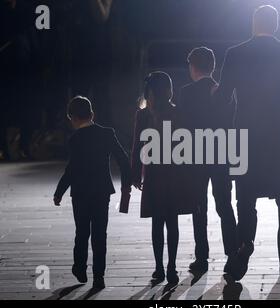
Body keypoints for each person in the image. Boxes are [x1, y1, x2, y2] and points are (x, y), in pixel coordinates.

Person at [214, 5, 280, 288]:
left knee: (245, 201)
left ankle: (244, 246)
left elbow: (223, 98)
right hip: (279, 139)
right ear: (275, 25)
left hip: (244, 137)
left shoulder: (234, 54)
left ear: (253, 24)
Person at [53, 96, 132, 289]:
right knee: (99, 233)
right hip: (101, 191)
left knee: (82, 232)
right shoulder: (107, 134)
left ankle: (80, 268)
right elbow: (123, 159)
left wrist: (59, 191)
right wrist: (126, 184)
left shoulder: (74, 139)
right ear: (92, 114)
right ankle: (99, 276)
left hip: (80, 193)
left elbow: (71, 170)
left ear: (72, 118)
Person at [131, 72, 197, 285]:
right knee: (172, 222)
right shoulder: (180, 113)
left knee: (157, 222)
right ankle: (172, 268)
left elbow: (137, 147)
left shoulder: (143, 115)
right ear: (169, 91)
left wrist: (134, 174)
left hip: (153, 174)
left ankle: (159, 267)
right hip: (175, 174)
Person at [178, 47, 238, 274]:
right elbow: (232, 123)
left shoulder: (186, 93)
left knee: (198, 207)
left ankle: (201, 257)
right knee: (224, 204)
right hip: (220, 153)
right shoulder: (225, 91)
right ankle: (232, 254)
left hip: (196, 156)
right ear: (213, 67)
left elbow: (182, 127)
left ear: (192, 67)